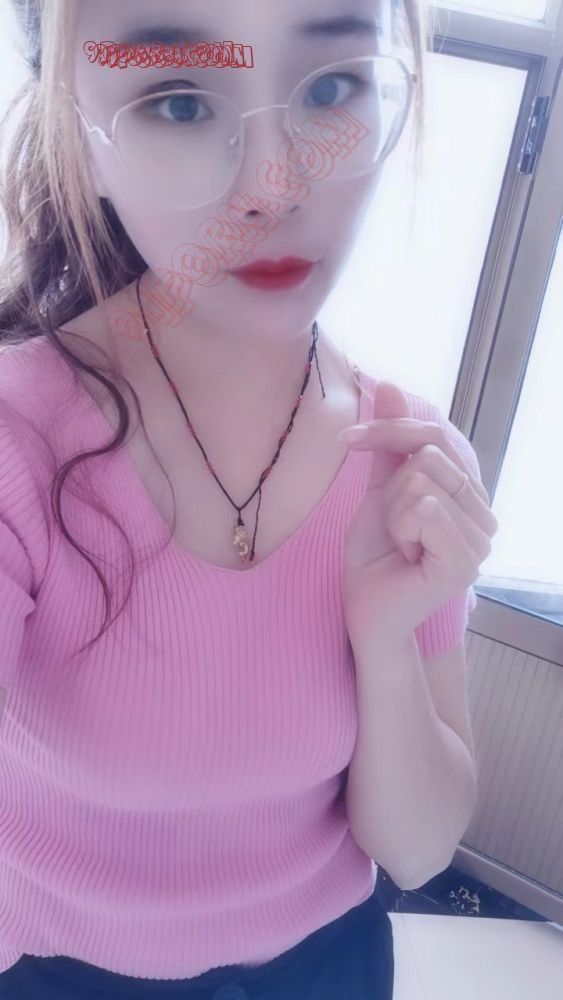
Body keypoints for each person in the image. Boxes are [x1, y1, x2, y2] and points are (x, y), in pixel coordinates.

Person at [0, 0, 489, 996]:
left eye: (332, 85)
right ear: (75, 138)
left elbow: (417, 849)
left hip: (326, 966)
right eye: (178, 102)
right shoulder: (20, 441)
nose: (275, 186)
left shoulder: (406, 455)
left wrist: (384, 636)